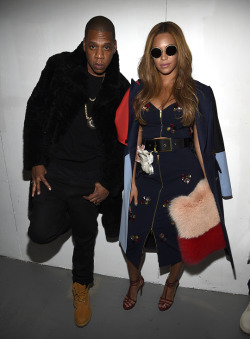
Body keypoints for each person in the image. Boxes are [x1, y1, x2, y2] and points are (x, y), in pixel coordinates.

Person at [115, 21, 234, 311]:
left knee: (179, 236)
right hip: (147, 174)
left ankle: (171, 283)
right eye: (157, 51)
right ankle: (135, 281)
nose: (164, 56)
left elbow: (203, 144)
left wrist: (209, 188)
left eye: (170, 49)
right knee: (134, 237)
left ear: (180, 52)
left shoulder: (198, 93)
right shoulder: (139, 92)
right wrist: (131, 182)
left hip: (184, 174)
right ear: (150, 56)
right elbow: (136, 137)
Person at [23, 16, 129, 327]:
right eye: (93, 47)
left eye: (106, 48)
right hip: (54, 172)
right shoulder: (59, 67)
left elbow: (123, 143)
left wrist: (108, 184)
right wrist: (36, 160)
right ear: (84, 45)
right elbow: (35, 110)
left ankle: (81, 286)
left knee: (85, 239)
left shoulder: (120, 87)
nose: (99, 55)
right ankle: (74, 214)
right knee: (39, 233)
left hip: (90, 180)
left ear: (114, 48)